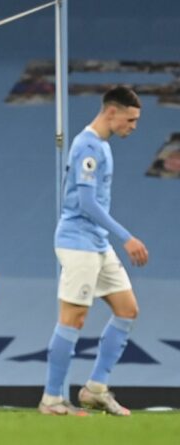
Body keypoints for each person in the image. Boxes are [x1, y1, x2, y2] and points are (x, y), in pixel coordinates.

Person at [39, 86, 149, 416]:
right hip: (77, 243)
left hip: (97, 243)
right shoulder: (87, 145)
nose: (134, 126)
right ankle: (52, 399)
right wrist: (126, 237)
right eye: (131, 119)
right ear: (112, 112)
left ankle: (96, 389)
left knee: (127, 310)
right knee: (73, 318)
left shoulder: (102, 146)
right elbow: (86, 203)